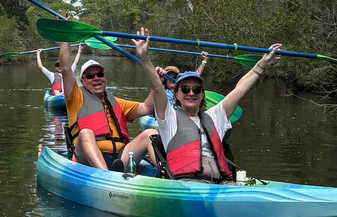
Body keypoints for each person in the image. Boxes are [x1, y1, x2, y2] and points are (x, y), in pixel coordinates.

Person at [134, 29, 280, 183]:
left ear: (202, 94)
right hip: (188, 184)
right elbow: (157, 87)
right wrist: (144, 57)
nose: (191, 92)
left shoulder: (215, 116)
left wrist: (262, 63)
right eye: (185, 89)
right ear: (176, 95)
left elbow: (239, 90)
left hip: (220, 184)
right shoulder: (168, 118)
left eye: (196, 89)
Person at [58, 39, 158, 171]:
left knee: (150, 133)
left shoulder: (115, 102)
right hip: (86, 159)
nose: (96, 78)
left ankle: (167, 175)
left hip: (119, 157)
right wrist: (66, 36)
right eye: (90, 76)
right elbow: (65, 69)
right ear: (82, 81)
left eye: (99, 74)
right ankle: (105, 175)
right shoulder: (75, 97)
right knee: (86, 133)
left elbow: (147, 107)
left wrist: (158, 81)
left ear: (104, 78)